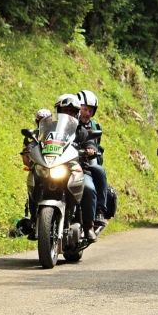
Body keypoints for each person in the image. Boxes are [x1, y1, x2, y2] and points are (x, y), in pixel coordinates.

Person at [54, 94, 99, 241]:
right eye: (65, 110)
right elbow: (39, 138)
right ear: (59, 111)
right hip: (54, 166)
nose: (69, 114)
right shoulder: (51, 127)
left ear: (76, 113)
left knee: (89, 188)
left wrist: (90, 149)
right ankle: (33, 217)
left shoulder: (81, 131)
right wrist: (31, 147)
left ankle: (88, 226)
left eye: (72, 111)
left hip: (77, 168)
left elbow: (89, 141)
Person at [77, 90, 109, 226]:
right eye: (84, 109)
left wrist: (92, 150)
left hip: (85, 162)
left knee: (98, 170)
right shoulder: (66, 123)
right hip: (64, 161)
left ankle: (99, 210)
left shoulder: (93, 127)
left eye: (90, 110)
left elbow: (92, 142)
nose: (87, 113)